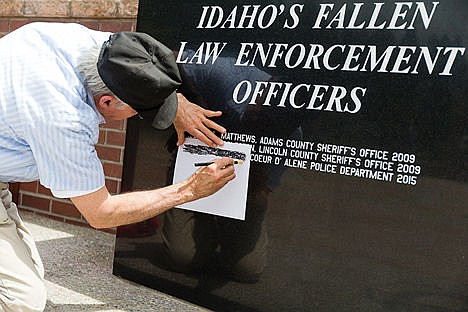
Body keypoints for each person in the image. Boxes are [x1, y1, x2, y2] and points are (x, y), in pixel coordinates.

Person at [0, 22, 236, 312]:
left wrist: (173, 100)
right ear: (108, 102)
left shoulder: (97, 47)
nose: (143, 116)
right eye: (140, 111)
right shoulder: (63, 119)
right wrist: (189, 189)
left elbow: (140, 60)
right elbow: (101, 213)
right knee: (21, 302)